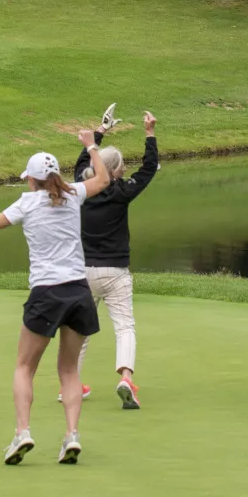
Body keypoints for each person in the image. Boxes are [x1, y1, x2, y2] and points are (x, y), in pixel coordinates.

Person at [0, 130, 111, 465]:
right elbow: (103, 178)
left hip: (47, 293)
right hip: (78, 292)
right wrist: (90, 145)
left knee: (24, 367)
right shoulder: (74, 194)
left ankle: (22, 432)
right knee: (70, 372)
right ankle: (71, 436)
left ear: (32, 180)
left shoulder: (27, 202)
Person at [69, 110, 159, 410]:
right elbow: (148, 170)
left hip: (84, 272)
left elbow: (82, 163)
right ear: (116, 171)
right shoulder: (122, 191)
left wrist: (100, 132)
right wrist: (149, 133)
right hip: (116, 272)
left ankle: (71, 384)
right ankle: (126, 378)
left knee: (80, 331)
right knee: (124, 327)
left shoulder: (82, 190)